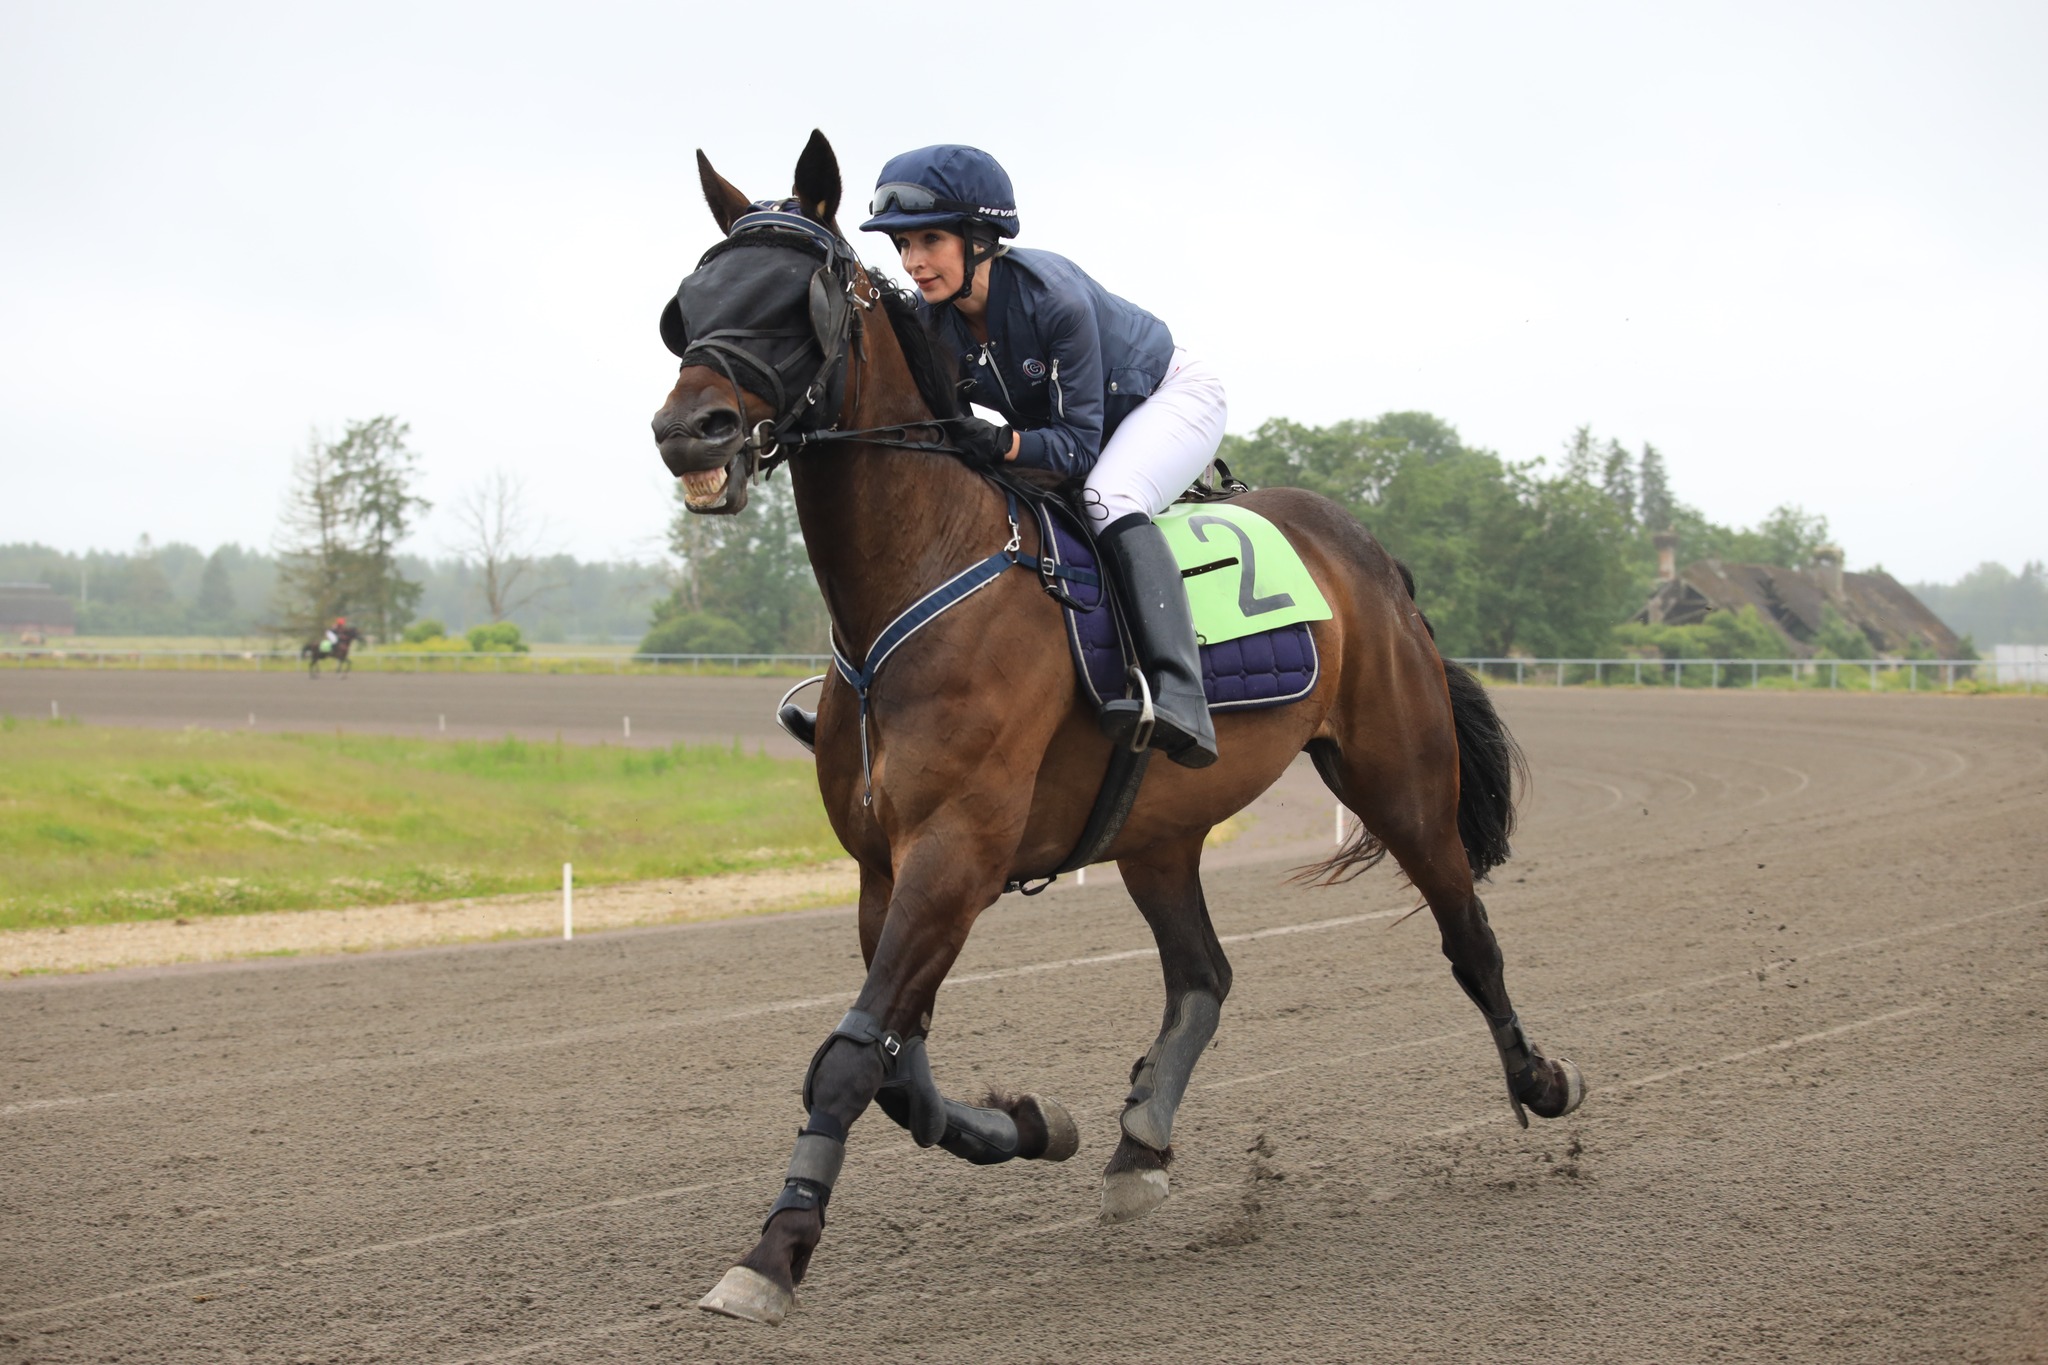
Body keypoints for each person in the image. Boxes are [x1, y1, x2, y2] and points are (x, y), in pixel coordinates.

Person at [860, 145, 1225, 768]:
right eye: (902, 245)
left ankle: (1181, 693)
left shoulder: (1055, 299)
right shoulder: (931, 322)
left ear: (981, 239)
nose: (913, 262)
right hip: (1078, 424)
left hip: (1169, 397)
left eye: (930, 240)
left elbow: (1076, 449)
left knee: (1108, 498)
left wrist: (1001, 442)